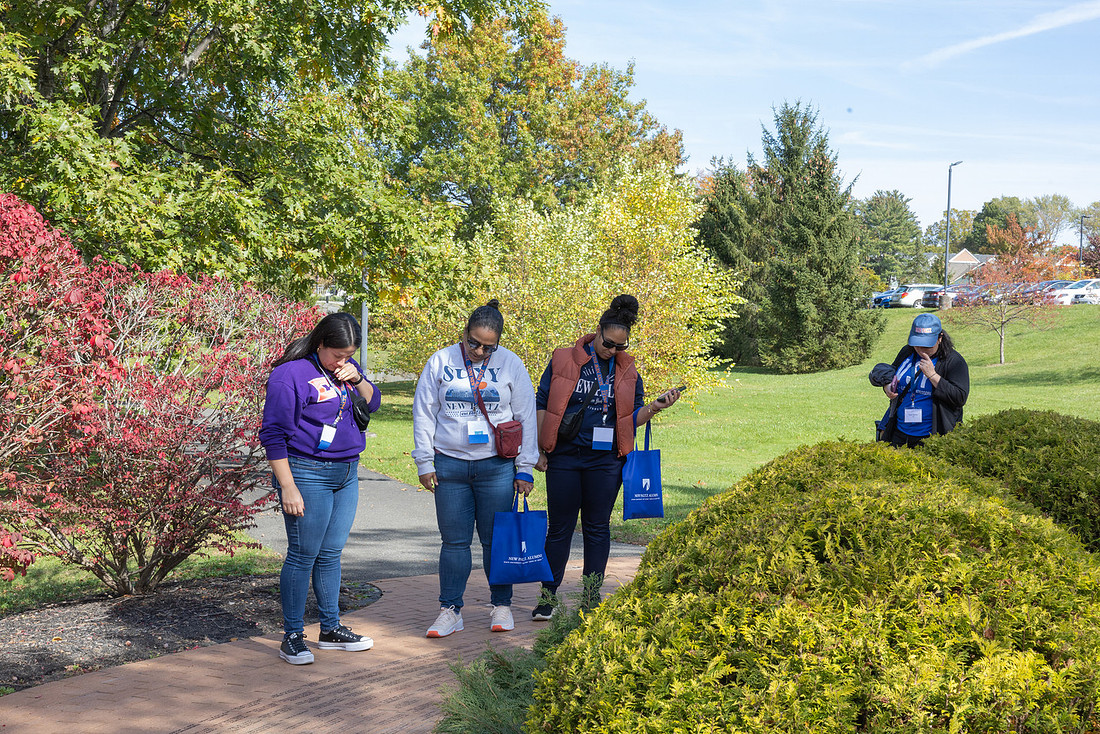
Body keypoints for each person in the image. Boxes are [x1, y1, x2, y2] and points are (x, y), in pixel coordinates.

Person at [532, 294, 681, 620]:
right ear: (597, 331)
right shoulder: (563, 359)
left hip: (605, 461)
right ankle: (547, 598)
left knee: (597, 528)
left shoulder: (628, 371)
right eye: (609, 343)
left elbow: (629, 419)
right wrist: (540, 449)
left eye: (620, 347)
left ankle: (589, 597)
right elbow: (541, 401)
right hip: (566, 457)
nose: (612, 350)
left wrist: (655, 407)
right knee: (559, 528)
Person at [412, 300, 539, 638]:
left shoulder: (511, 363)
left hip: (496, 467)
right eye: (474, 343)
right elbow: (423, 412)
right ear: (464, 333)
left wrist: (524, 467)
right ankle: (450, 610)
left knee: (495, 541)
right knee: (453, 542)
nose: (480, 351)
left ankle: (502, 605)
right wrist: (424, 460)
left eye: (488, 346)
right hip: (449, 465)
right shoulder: (440, 361)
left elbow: (526, 416)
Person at [259, 312, 381, 665]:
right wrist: (288, 487)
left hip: (346, 473)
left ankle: (330, 628)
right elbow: (273, 435)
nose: (342, 361)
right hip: (306, 472)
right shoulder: (290, 375)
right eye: (337, 355)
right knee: (303, 555)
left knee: (331, 553)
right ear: (320, 343)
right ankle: (293, 636)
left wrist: (357, 377)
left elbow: (372, 402)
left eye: (349, 355)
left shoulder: (347, 368)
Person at [879, 313, 969, 448]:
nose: (921, 350)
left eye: (927, 346)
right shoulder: (907, 352)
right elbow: (891, 373)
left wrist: (932, 375)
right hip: (900, 432)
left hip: (933, 435)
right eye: (917, 345)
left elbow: (959, 397)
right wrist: (887, 384)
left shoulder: (954, 361)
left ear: (940, 338)